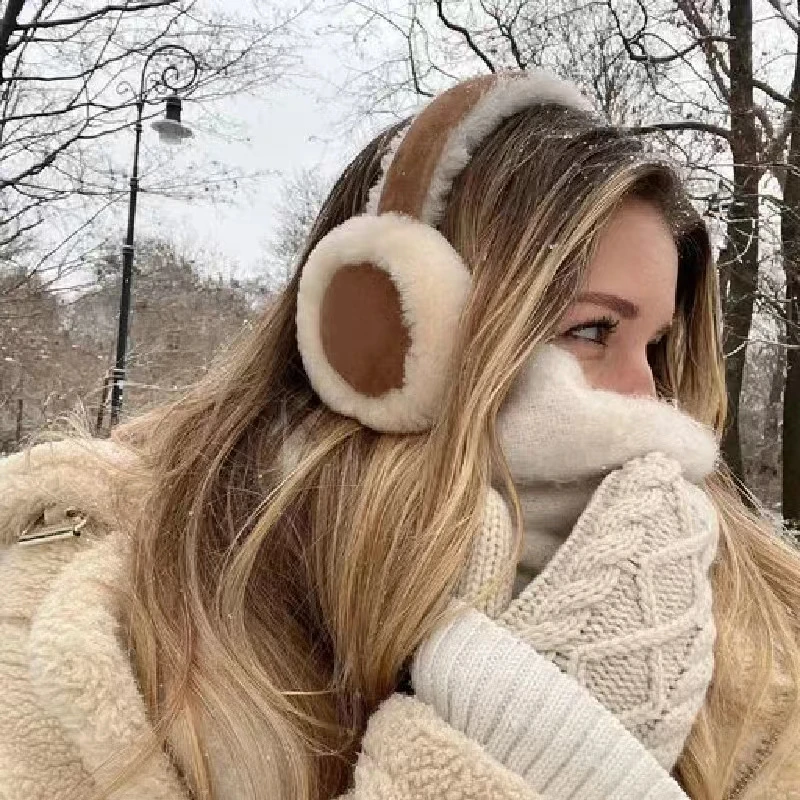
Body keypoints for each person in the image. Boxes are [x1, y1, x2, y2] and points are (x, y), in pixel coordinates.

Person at [1, 70, 798, 800]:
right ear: (389, 339)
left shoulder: (757, 623)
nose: (647, 396)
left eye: (655, 346)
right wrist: (537, 748)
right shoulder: (95, 612)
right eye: (593, 332)